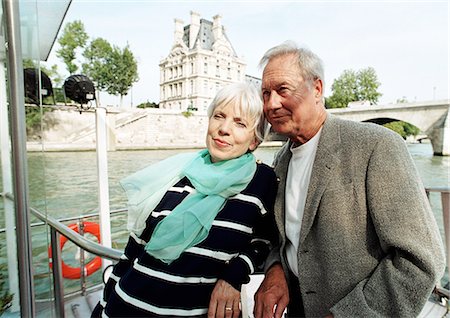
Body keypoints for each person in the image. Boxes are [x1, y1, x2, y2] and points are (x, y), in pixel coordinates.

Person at [253, 41, 446, 318]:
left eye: (283, 89)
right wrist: (275, 269)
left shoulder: (376, 146)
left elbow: (420, 260)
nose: (271, 104)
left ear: (317, 89)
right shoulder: (280, 161)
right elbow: (281, 238)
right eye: (265, 93)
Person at [91, 82, 278, 318]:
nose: (224, 129)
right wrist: (103, 306)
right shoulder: (179, 173)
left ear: (254, 141)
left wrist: (234, 275)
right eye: (219, 116)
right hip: (123, 307)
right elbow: (133, 251)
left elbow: (266, 241)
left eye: (240, 123)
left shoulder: (261, 180)